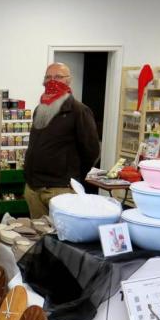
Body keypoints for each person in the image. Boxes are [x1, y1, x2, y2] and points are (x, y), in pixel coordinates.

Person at [23, 62, 100, 219]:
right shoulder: (39, 109)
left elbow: (91, 151)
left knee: (60, 232)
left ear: (68, 80)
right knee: (38, 232)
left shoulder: (79, 111)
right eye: (48, 77)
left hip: (60, 189)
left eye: (58, 77)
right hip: (33, 188)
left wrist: (72, 178)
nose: (52, 81)